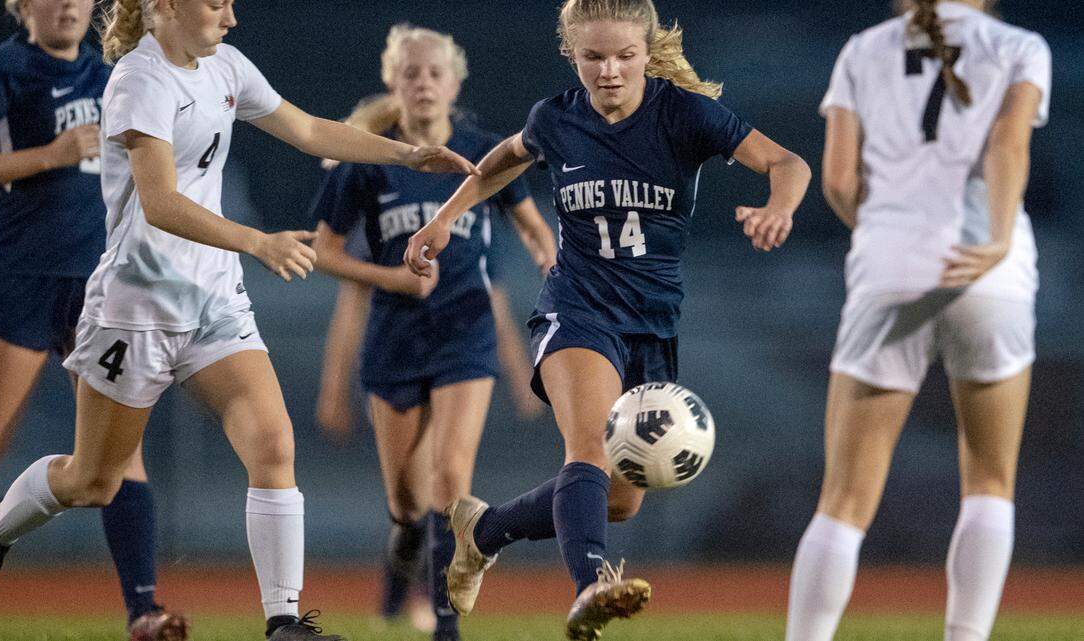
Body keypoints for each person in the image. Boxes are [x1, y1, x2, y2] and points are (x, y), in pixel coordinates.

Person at [0, 2, 477, 640]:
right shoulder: (138, 80)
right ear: (166, 7)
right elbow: (162, 203)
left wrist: (408, 154)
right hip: (136, 309)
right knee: (92, 479)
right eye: (217, 3)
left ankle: (284, 622)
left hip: (214, 302)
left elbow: (308, 130)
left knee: (274, 446)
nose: (230, 17)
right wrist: (257, 243)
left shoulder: (223, 65)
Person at [404, 1, 810, 639]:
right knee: (588, 448)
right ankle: (593, 585)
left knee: (618, 498)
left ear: (647, 53)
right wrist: (443, 217)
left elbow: (789, 163)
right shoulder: (556, 118)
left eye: (624, 55)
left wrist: (777, 207)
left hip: (650, 324)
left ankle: (482, 531)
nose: (610, 71)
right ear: (572, 54)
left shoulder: (684, 114)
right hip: (576, 307)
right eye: (593, 57)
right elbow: (503, 161)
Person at [783, 2, 1050, 641]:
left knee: (843, 503)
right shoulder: (1018, 45)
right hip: (990, 269)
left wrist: (888, 239)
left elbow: (840, 182)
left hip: (890, 266)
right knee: (989, 482)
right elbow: (1008, 144)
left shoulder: (863, 48)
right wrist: (997, 235)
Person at [0, 1, 187, 637]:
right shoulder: (1, 70)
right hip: (18, 277)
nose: (69, 4)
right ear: (23, 6)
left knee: (119, 456)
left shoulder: (117, 74)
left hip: (98, 287)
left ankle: (144, 612)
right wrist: (48, 156)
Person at [308, 25, 556, 641]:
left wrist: (551, 260)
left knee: (450, 479)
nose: (422, 83)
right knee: (407, 505)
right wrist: (390, 280)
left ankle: (447, 627)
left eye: (434, 73)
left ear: (455, 83)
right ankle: (400, 573)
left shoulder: (481, 153)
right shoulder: (369, 159)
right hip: (394, 340)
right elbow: (324, 253)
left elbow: (531, 228)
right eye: (411, 73)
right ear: (394, 82)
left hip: (464, 336)